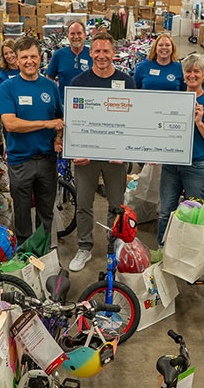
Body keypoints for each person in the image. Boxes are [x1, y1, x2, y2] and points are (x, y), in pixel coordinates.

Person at [68, 31, 137, 272]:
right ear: (90, 53)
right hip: (86, 155)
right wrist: (74, 149)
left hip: (115, 156)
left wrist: (125, 151)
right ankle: (84, 247)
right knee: (83, 203)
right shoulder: (78, 82)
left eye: (106, 51)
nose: (101, 55)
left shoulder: (127, 81)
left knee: (116, 204)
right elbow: (73, 121)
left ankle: (114, 246)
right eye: (96, 51)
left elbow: (132, 119)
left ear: (113, 53)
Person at [0, 37, 64, 245]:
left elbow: (60, 120)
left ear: (40, 58)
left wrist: (58, 138)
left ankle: (44, 256)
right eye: (24, 57)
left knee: (46, 215)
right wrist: (46, 124)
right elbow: (10, 124)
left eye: (33, 56)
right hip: (20, 162)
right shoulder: (8, 87)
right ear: (16, 60)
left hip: (47, 161)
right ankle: (25, 257)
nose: (29, 61)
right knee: (22, 215)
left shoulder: (50, 86)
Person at [157, 54, 204, 247]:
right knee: (165, 211)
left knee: (193, 216)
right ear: (183, 74)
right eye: (188, 71)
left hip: (197, 166)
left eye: (196, 71)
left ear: (203, 75)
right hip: (171, 164)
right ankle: (164, 251)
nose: (192, 75)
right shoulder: (174, 99)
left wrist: (199, 124)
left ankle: (190, 253)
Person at [46, 20, 93, 102]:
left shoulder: (92, 54)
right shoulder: (58, 55)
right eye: (72, 33)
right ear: (68, 36)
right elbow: (49, 80)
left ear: (85, 35)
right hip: (64, 103)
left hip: (88, 103)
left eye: (79, 33)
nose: (76, 36)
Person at [0, 40, 21, 156]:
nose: (9, 56)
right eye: (6, 54)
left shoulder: (26, 70)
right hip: (11, 119)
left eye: (11, 52)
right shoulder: (1, 77)